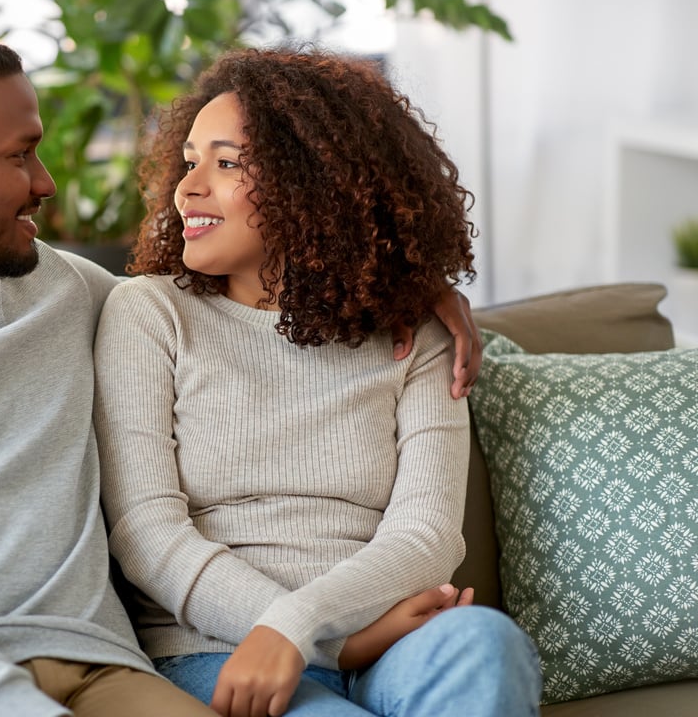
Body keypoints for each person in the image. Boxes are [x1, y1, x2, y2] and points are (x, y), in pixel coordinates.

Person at [0, 28, 483, 716]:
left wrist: (411, 286)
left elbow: (240, 308)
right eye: (19, 155)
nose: (46, 182)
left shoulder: (66, 290)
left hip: (108, 673)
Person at [93, 47, 542, 717]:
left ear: (315, 183)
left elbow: (427, 536)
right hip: (214, 649)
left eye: (226, 163)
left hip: (389, 643)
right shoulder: (148, 313)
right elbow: (146, 535)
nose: (187, 188)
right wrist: (335, 644)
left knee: (483, 642)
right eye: (190, 162)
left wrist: (303, 630)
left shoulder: (413, 333)